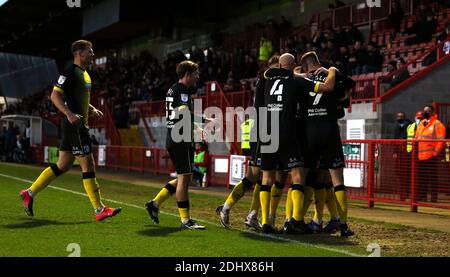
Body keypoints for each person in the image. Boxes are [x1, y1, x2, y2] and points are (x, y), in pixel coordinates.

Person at [19, 40, 121, 221]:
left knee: (63, 165)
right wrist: (68, 113)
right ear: (79, 53)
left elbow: (78, 97)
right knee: (88, 165)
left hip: (76, 124)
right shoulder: (70, 72)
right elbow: (54, 95)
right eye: (89, 52)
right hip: (76, 125)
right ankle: (99, 209)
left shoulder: (84, 74)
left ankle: (30, 193)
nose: (93, 55)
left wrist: (90, 108)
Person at [259, 53, 337, 234]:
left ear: (279, 64)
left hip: (266, 131)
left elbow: (271, 74)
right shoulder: (296, 82)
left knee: (267, 179)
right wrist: (332, 70)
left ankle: (265, 223)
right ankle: (296, 220)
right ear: (294, 66)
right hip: (286, 131)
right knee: (298, 176)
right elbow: (328, 87)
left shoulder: (266, 79)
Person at [216, 55, 287, 231]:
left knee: (262, 177)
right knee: (255, 177)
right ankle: (229, 208)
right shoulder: (267, 81)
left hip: (265, 132)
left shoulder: (266, 82)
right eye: (277, 67)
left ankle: (251, 214)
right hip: (262, 133)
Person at [297, 51, 355, 236]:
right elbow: (348, 91)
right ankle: (343, 225)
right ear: (318, 61)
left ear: (305, 67)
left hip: (309, 132)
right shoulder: (331, 75)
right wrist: (333, 70)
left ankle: (295, 221)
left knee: (303, 178)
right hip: (329, 130)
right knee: (337, 180)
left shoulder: (303, 80)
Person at [145, 60, 206, 230]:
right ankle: (185, 220)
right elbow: (184, 113)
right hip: (180, 139)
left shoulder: (173, 89)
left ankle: (155, 204)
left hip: (176, 137)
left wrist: (197, 125)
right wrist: (202, 120)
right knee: (184, 181)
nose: (197, 76)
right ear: (187, 74)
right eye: (195, 73)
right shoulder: (182, 91)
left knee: (184, 178)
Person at [415, 105, 446, 203]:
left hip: (431, 156)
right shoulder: (421, 123)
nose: (425, 113)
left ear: (432, 112)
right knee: (422, 177)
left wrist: (435, 153)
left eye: (427, 111)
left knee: (432, 177)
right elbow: (416, 137)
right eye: (424, 111)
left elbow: (441, 140)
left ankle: (433, 197)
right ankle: (422, 196)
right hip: (420, 156)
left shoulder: (437, 124)